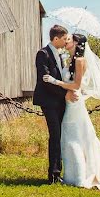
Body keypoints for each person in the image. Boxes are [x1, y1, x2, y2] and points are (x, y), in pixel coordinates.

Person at [43, 33, 100, 192]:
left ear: (76, 44)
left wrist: (55, 82)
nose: (66, 41)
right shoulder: (70, 60)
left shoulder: (81, 61)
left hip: (75, 103)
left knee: (77, 137)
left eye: (69, 40)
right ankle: (74, 174)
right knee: (69, 137)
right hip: (69, 103)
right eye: (65, 39)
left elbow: (76, 86)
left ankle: (83, 175)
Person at [33, 24, 77, 183]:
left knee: (60, 135)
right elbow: (45, 80)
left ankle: (59, 171)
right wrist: (65, 93)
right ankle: (53, 174)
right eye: (64, 39)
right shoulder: (42, 54)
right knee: (55, 135)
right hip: (49, 100)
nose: (66, 41)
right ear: (56, 38)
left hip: (60, 101)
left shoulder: (60, 55)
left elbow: (60, 78)